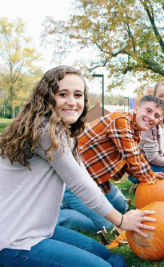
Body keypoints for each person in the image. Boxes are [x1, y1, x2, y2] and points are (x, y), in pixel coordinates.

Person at [0, 66, 156, 267]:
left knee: (110, 258)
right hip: (14, 240)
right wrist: (122, 220)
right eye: (62, 94)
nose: (72, 102)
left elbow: (85, 178)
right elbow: (80, 185)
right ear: (47, 97)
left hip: (42, 227)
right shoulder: (45, 131)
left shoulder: (65, 134)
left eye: (78, 95)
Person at [57, 95, 164, 232]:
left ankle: (79, 207)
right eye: (148, 111)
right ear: (136, 109)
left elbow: (128, 164)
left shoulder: (135, 133)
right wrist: (151, 179)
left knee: (122, 207)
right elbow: (133, 155)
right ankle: (61, 214)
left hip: (96, 181)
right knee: (108, 226)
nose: (151, 117)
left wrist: (152, 175)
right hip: (73, 185)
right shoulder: (120, 120)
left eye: (156, 116)